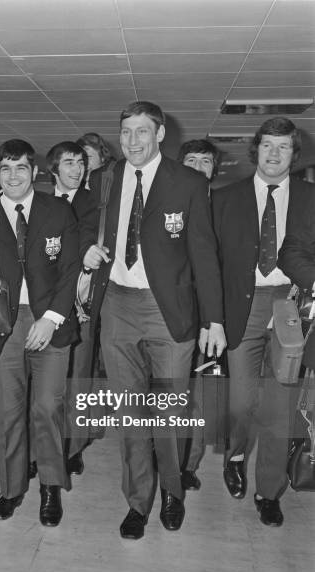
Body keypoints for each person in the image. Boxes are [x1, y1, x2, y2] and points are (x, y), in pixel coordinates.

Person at [84, 101, 226, 539]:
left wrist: (214, 320)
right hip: (118, 307)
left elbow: (203, 253)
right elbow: (91, 232)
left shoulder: (188, 182)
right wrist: (87, 257)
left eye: (141, 132)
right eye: (126, 132)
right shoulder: (103, 178)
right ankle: (137, 501)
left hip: (170, 311)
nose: (132, 141)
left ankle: (172, 492)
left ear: (160, 135)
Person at [0, 139, 80, 526]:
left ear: (35, 172)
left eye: (21, 169)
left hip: (50, 323)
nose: (13, 177)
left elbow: (71, 268)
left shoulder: (57, 210)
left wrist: (53, 317)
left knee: (47, 408)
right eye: (6, 169)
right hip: (0, 325)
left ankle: (49, 488)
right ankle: (11, 489)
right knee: (7, 412)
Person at [215, 117, 311, 527]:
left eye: (284, 147)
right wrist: (211, 319)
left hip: (289, 306)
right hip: (241, 305)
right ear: (256, 150)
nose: (274, 154)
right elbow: (210, 262)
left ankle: (267, 491)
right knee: (240, 402)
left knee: (279, 407)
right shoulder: (224, 198)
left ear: (294, 153)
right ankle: (235, 453)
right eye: (268, 146)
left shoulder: (311, 197)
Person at [45, 141, 98, 476]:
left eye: (80, 163)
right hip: (43, 302)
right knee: (47, 384)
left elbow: (88, 243)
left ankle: (74, 447)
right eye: (69, 163)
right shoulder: (40, 202)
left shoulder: (94, 202)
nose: (76, 169)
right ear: (54, 169)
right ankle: (45, 446)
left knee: (78, 376)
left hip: (81, 299)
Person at [177, 138, 222, 491]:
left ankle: (187, 465)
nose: (196, 167)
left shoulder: (226, 209)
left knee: (200, 396)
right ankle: (163, 455)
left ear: (214, 169)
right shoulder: (165, 205)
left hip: (211, 319)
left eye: (204, 161)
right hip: (172, 316)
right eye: (189, 160)